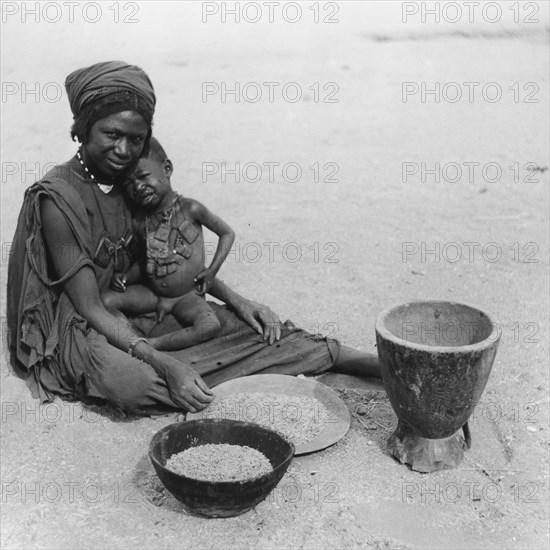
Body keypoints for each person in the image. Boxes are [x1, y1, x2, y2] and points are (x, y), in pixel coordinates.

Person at [7, 60, 380, 417]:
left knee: (247, 326)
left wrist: (237, 299)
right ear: (83, 128)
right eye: (112, 134)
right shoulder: (58, 199)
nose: (124, 150)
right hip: (87, 322)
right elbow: (90, 307)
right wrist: (164, 362)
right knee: (132, 383)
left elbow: (170, 255)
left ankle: (370, 362)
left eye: (136, 139)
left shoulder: (130, 182)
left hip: (141, 304)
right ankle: (204, 370)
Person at [102, 137, 235, 351]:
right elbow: (146, 261)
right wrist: (126, 276)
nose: (138, 187)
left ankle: (152, 345)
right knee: (107, 300)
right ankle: (129, 338)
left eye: (144, 177)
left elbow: (227, 233)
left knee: (209, 326)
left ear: (167, 168)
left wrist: (211, 271)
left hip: (186, 296)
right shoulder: (139, 220)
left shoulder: (191, 209)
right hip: (153, 296)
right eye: (129, 184)